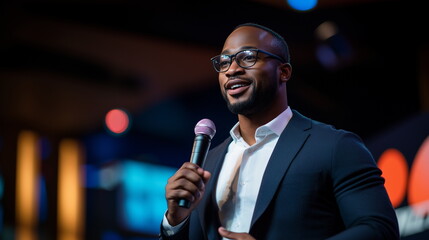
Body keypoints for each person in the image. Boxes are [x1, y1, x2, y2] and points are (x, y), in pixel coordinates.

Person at [160, 23, 399, 240]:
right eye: (224, 62)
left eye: (247, 57)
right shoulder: (208, 163)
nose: (232, 69)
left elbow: (379, 229)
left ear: (283, 72)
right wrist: (175, 220)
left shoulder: (335, 146)